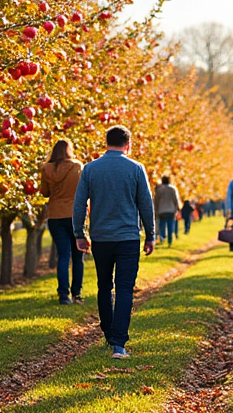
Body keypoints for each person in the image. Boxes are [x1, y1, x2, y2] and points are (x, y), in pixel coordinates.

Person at [73, 126, 156, 359]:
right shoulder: (136, 169)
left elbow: (79, 204)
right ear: (127, 145)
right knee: (124, 289)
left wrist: (79, 233)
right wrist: (150, 235)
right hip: (128, 237)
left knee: (103, 286)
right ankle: (119, 343)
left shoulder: (90, 169)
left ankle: (109, 333)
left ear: (106, 142)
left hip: (101, 237)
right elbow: (146, 205)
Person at [40, 140, 84, 304]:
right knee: (78, 256)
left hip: (55, 215)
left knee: (63, 255)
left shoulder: (46, 168)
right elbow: (83, 189)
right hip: (75, 214)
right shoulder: (77, 166)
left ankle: (63, 294)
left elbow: (44, 192)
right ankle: (77, 293)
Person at [154, 176, 181, 248]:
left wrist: (156, 210)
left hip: (161, 210)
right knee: (170, 225)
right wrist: (177, 208)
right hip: (171, 210)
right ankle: (170, 240)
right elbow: (176, 199)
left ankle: (162, 238)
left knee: (162, 225)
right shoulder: (173, 188)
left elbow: (156, 200)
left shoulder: (159, 190)